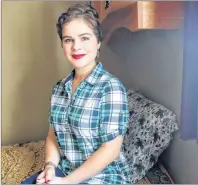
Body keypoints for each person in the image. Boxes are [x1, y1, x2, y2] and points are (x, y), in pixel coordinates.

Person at [21, 3, 130, 184]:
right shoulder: (59, 88)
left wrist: (67, 182)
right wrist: (49, 165)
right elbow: (53, 136)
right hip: (66, 170)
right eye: (68, 39)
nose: (76, 47)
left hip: (104, 177)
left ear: (98, 42)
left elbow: (110, 150)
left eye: (84, 38)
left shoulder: (110, 88)